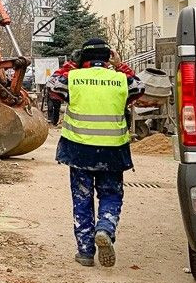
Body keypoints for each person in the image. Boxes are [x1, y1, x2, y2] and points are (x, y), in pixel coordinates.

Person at [46, 39, 143, 267]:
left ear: (83, 58)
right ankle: (106, 228)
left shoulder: (73, 79)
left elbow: (52, 85)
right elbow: (139, 87)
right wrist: (120, 66)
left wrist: (71, 64)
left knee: (82, 198)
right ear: (108, 56)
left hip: (79, 150)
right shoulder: (121, 80)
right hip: (113, 151)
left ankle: (86, 252)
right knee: (110, 194)